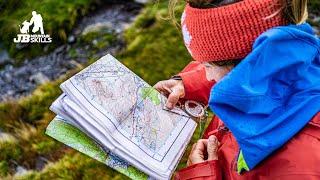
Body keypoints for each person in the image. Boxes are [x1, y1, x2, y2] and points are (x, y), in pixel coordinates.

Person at [154, 0, 320, 179]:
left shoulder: (298, 168)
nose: (207, 75)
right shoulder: (298, 56)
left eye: (207, 65)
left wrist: (202, 176)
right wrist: (191, 83)